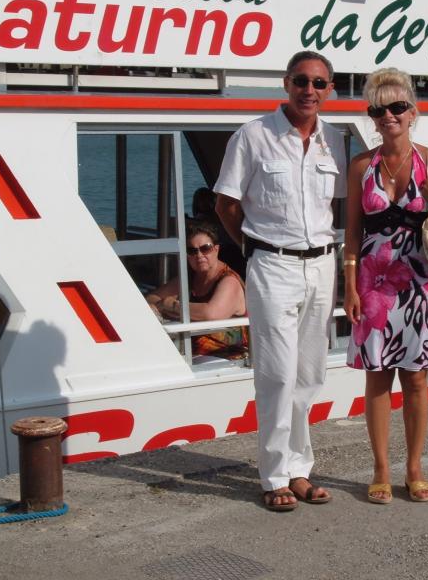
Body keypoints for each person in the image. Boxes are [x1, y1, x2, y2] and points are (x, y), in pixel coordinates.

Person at [214, 51, 346, 511]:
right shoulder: (253, 136)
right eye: (301, 81)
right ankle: (274, 476)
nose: (309, 90)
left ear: (329, 89)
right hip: (272, 265)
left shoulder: (334, 140)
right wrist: (253, 248)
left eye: (319, 83)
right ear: (286, 84)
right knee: (276, 374)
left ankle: (299, 470)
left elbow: (334, 208)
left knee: (309, 373)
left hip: (322, 265)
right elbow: (226, 204)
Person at [343, 69, 428, 504]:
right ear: (372, 117)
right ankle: (380, 468)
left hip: (420, 282)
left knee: (416, 378)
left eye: (397, 107)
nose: (388, 116)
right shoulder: (362, 166)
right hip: (372, 283)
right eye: (379, 110)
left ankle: (414, 467)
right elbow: (352, 233)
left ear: (413, 112)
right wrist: (349, 287)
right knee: (378, 377)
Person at [146, 222, 247, 360]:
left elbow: (211, 313)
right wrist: (163, 304)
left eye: (205, 248)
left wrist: (172, 306)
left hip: (227, 357)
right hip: (189, 352)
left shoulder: (229, 281)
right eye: (192, 251)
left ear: (216, 249)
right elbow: (151, 298)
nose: (199, 255)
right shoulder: (190, 278)